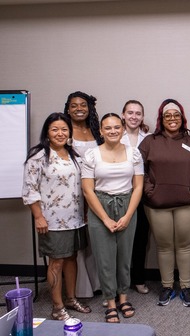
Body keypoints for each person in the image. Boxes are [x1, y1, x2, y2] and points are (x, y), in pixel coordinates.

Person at [22, 112, 92, 321]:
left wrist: (86, 211)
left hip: (76, 218)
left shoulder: (74, 155)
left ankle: (71, 299)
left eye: (64, 129)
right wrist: (38, 217)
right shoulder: (38, 156)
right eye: (55, 129)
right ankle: (57, 306)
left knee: (72, 258)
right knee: (56, 262)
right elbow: (30, 189)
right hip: (52, 220)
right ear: (47, 132)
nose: (60, 133)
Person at [138, 99, 190, 307]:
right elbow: (139, 171)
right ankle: (167, 287)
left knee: (185, 246)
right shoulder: (150, 142)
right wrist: (150, 193)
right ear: (161, 118)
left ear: (182, 118)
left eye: (176, 115)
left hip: (187, 203)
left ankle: (185, 286)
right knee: (165, 246)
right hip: (156, 204)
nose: (172, 119)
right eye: (168, 115)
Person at [81, 113, 144, 323]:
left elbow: (138, 187)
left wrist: (128, 215)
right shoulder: (92, 155)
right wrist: (105, 219)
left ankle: (123, 298)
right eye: (108, 128)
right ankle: (110, 301)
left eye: (117, 127)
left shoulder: (134, 153)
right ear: (101, 131)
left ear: (123, 129)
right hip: (100, 206)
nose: (113, 131)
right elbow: (88, 190)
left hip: (127, 205)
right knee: (105, 258)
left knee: (125, 257)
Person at [63, 91, 102, 299]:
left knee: (94, 238)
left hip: (95, 191)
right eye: (74, 105)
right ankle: (80, 289)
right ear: (68, 108)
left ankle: (97, 283)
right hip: (70, 193)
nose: (79, 109)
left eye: (83, 105)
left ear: (89, 108)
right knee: (76, 240)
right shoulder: (63, 130)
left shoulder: (95, 130)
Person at [120, 100, 151, 295]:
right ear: (123, 115)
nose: (134, 116)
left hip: (142, 194)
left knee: (140, 238)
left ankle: (138, 278)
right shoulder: (113, 134)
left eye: (138, 113)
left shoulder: (148, 138)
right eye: (130, 113)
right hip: (119, 193)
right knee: (119, 241)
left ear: (142, 117)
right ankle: (117, 284)